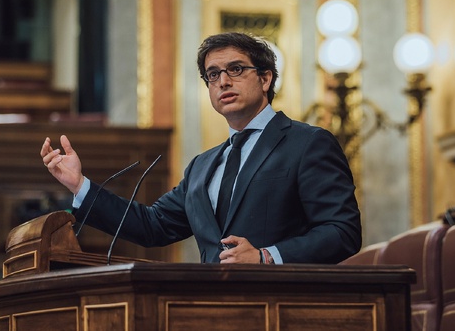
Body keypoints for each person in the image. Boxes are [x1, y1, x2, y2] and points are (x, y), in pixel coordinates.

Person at [41, 32, 362, 264]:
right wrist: (79, 185)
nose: (222, 81)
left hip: (282, 307)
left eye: (235, 70)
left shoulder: (307, 143)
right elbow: (152, 226)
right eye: (212, 74)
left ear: (265, 79)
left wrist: (266, 257)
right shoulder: (202, 167)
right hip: (209, 308)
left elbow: (342, 231)